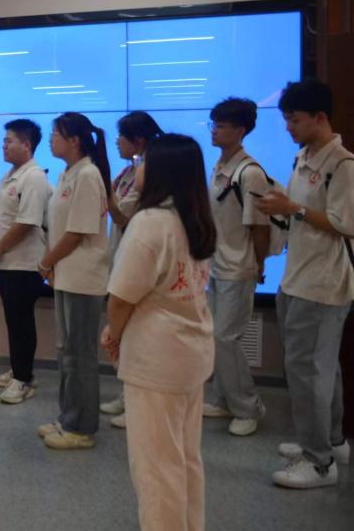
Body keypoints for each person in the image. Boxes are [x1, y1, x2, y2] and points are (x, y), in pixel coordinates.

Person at [101, 133, 216, 531]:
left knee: (156, 468)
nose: (139, 166)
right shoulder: (194, 216)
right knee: (184, 457)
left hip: (157, 360)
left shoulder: (150, 223)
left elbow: (121, 298)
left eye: (145, 161)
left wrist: (113, 335)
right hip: (191, 353)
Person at [254, 80, 353, 489]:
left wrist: (292, 208)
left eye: (294, 120)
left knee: (310, 372)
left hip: (322, 283)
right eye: (286, 119)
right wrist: (281, 203)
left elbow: (346, 224)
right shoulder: (304, 157)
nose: (288, 127)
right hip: (297, 276)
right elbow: (301, 212)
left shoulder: (342, 165)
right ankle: (331, 441)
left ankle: (319, 463)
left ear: (320, 117)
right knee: (320, 369)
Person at [37, 112, 111, 449]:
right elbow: (57, 228)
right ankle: (68, 417)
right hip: (65, 276)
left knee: (80, 355)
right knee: (66, 352)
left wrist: (47, 261)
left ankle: (81, 428)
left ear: (74, 140)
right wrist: (51, 265)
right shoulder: (68, 174)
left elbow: (78, 232)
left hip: (83, 277)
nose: (51, 139)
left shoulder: (88, 175)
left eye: (56, 134)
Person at [203, 97, 271, 436]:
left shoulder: (250, 173)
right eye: (213, 124)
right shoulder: (220, 166)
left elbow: (259, 227)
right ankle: (223, 398)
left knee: (225, 338)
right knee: (214, 337)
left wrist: (258, 264)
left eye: (221, 125)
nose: (214, 131)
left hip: (238, 268)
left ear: (240, 130)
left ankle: (248, 407)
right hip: (216, 265)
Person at [102, 111, 164, 428]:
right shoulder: (130, 169)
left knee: (136, 336)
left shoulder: (149, 171)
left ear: (138, 140)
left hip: (137, 262)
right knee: (125, 338)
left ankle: (138, 402)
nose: (117, 143)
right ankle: (128, 395)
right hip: (121, 255)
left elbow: (121, 215)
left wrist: (104, 190)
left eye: (121, 137)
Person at [0, 119, 53, 405]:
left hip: (25, 264)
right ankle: (18, 370)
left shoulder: (34, 177)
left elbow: (27, 222)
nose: (4, 145)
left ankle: (24, 379)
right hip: (7, 262)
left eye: (9, 140)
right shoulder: (10, 175)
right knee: (13, 321)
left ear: (27, 144)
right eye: (4, 140)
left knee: (22, 321)